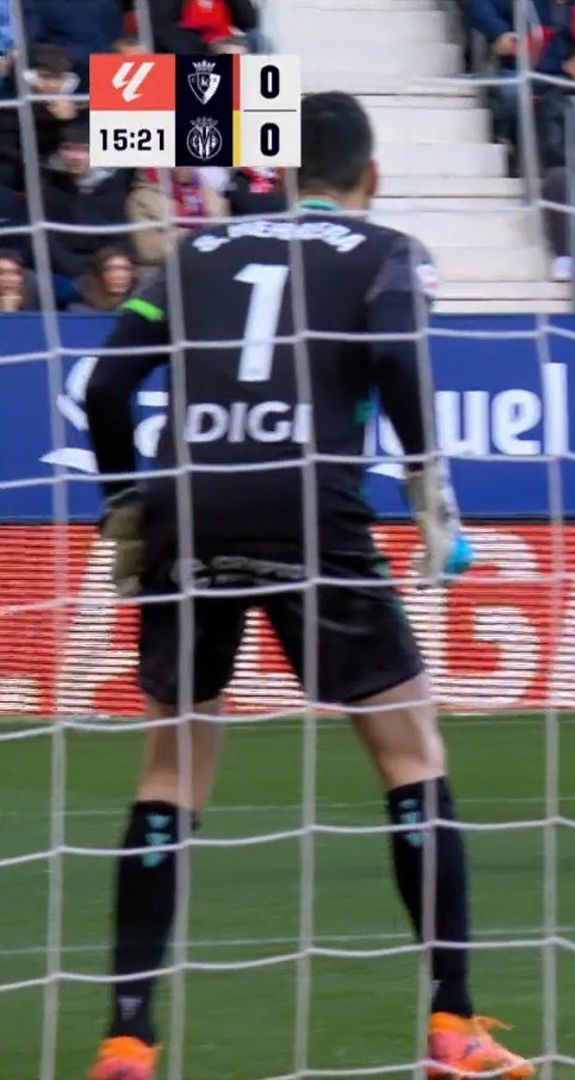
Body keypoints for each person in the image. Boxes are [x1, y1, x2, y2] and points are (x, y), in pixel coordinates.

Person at [79, 91, 531, 1080]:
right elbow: (398, 362)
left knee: (172, 769)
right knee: (411, 751)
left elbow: (108, 389)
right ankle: (453, 1026)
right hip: (313, 505)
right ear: (369, 179)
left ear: (286, 177)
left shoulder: (192, 255)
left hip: (189, 507)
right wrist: (430, 499)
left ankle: (128, 1034)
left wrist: (123, 506)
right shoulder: (386, 251)